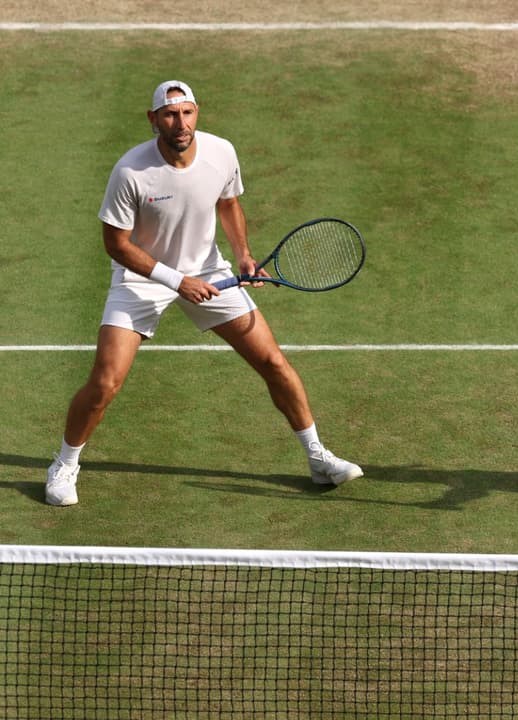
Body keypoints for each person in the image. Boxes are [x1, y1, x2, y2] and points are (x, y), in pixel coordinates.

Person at [44, 80, 362, 506]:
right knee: (105, 383)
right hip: (142, 278)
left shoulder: (221, 152)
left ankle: (318, 458)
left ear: (197, 114)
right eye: (171, 115)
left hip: (208, 270)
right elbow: (117, 245)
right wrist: (177, 281)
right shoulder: (130, 171)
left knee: (273, 362)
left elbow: (228, 203)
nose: (181, 124)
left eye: (188, 113)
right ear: (153, 119)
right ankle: (65, 465)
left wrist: (245, 256)